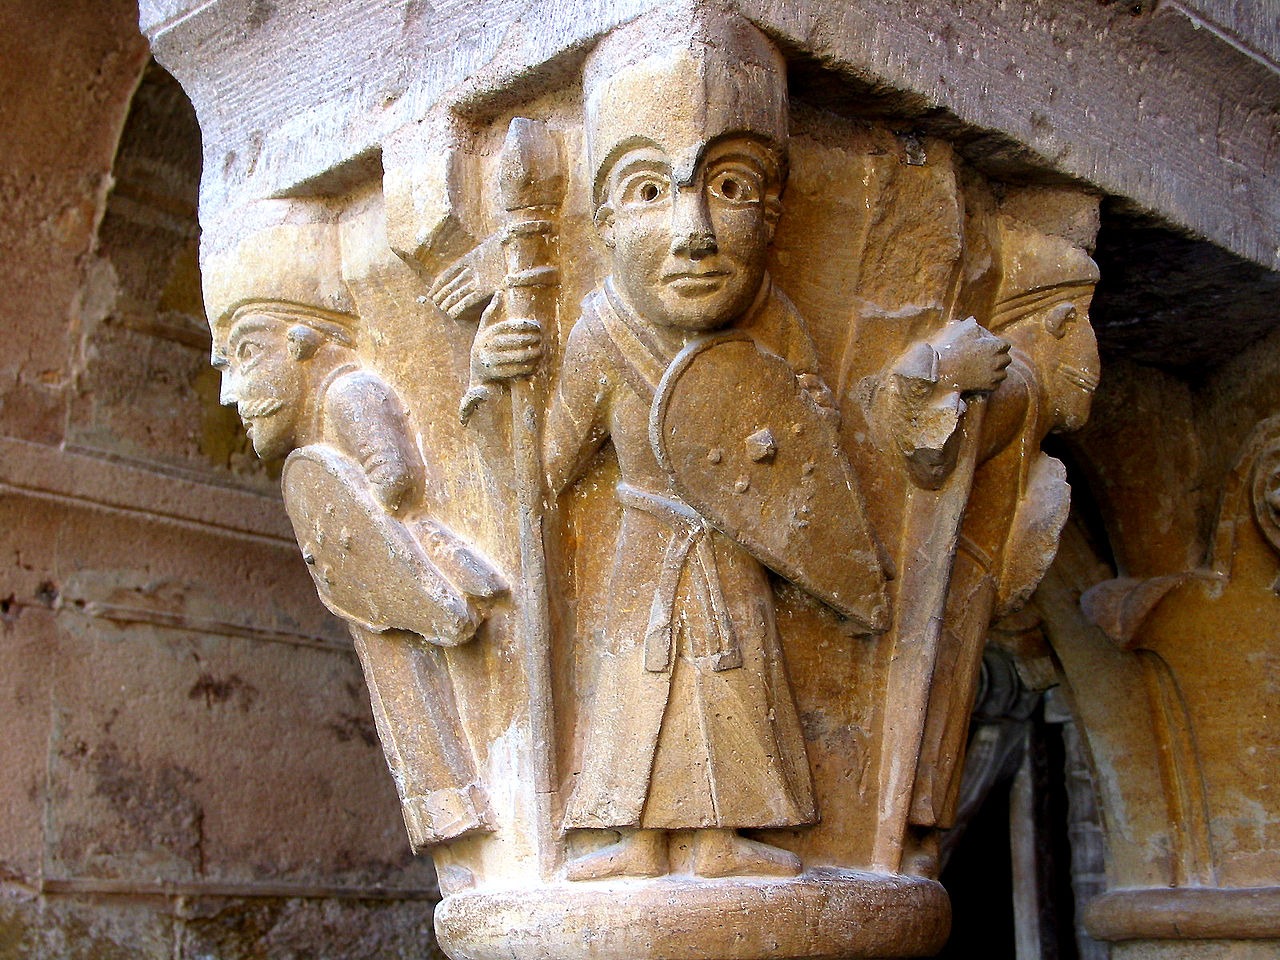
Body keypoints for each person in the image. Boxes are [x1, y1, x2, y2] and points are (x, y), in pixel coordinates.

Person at [472, 14, 1011, 880]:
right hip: (647, 545)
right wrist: (495, 387)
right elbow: (544, 475)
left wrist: (804, 419)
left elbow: (809, 458)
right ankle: (634, 840)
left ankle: (722, 838)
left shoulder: (777, 320)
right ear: (601, 223)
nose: (693, 231)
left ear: (774, 214)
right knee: (636, 690)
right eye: (649, 191)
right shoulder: (601, 333)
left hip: (734, 543)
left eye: (728, 186)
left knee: (730, 687)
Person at [206, 216, 500, 852]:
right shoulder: (329, 408)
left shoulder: (350, 392)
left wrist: (357, 517)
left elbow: (393, 479)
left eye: (246, 353)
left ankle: (459, 806)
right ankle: (447, 811)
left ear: (304, 340)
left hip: (414, 576)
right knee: (404, 705)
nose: (231, 393)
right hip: (382, 593)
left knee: (421, 703)